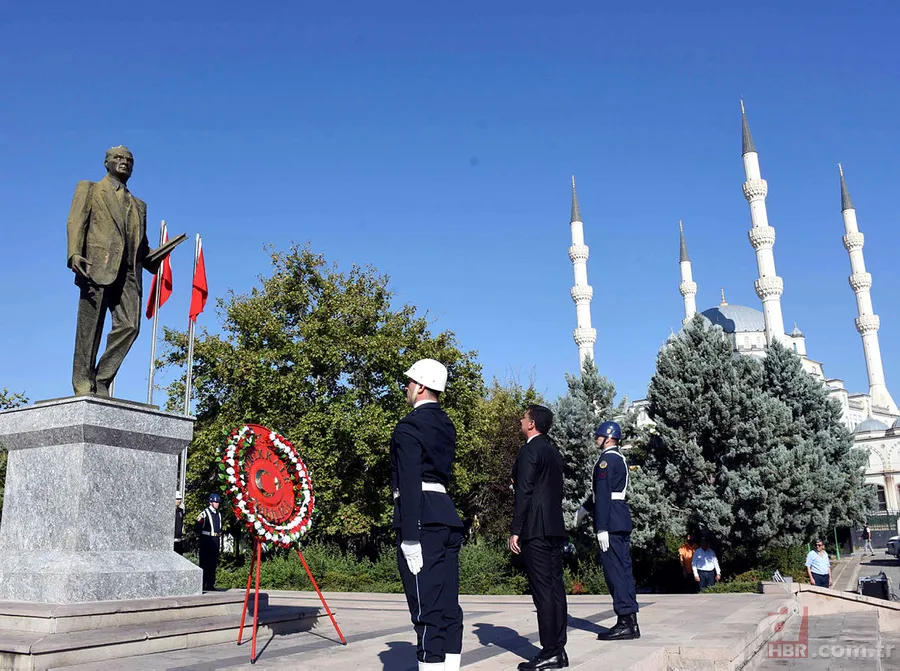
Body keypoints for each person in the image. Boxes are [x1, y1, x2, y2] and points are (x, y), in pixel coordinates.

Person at [66, 146, 167, 396]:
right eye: (119, 158)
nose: (124, 163)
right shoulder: (89, 189)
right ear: (107, 163)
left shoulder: (139, 205)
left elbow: (141, 247)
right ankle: (82, 380)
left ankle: (101, 378)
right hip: (96, 266)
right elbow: (76, 222)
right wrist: (74, 253)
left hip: (129, 274)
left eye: (129, 160)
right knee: (90, 329)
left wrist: (158, 255)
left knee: (130, 326)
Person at [391, 358, 464, 671]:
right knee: (448, 607)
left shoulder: (409, 426)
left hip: (421, 520)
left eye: (409, 382)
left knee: (425, 610)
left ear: (420, 386)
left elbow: (408, 481)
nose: (406, 387)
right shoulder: (446, 425)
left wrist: (410, 536)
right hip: (446, 516)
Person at [509, 404, 569, 670]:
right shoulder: (554, 452)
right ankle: (558, 648)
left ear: (532, 424)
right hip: (554, 527)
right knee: (555, 589)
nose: (521, 420)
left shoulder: (530, 451)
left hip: (535, 529)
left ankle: (549, 651)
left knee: (543, 592)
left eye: (524, 417)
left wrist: (515, 529)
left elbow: (524, 493)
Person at [575, 421, 640, 640]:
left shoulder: (606, 461)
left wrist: (600, 526)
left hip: (610, 521)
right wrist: (585, 507)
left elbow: (602, 494)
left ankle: (625, 622)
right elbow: (601, 494)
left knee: (615, 573)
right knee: (623, 570)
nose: (596, 439)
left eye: (599, 436)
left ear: (608, 438)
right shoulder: (619, 459)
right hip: (619, 517)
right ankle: (630, 620)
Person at [195, 493, 223, 591]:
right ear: (211, 502)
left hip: (216, 540)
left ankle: (211, 584)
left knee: (213, 563)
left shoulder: (218, 514)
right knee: (204, 563)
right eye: (215, 502)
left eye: (218, 502)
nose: (217, 504)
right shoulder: (204, 513)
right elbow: (197, 527)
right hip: (206, 540)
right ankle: (203, 584)